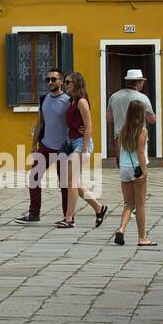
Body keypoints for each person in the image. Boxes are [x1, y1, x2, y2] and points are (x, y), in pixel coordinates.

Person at [12, 68, 70, 224]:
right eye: (47, 80)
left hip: (63, 147)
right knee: (34, 177)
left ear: (61, 82)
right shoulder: (43, 99)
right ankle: (34, 213)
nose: (50, 82)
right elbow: (40, 123)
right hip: (45, 145)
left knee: (64, 183)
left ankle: (68, 216)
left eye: (53, 79)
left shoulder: (69, 100)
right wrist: (33, 145)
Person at [58, 72, 108, 229]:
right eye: (65, 82)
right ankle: (99, 208)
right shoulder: (72, 101)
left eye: (68, 82)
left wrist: (85, 150)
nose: (65, 85)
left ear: (77, 83)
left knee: (71, 182)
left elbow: (89, 126)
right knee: (75, 183)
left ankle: (69, 219)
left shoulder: (81, 102)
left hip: (81, 144)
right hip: (73, 142)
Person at [113, 99, 154, 247]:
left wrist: (118, 161)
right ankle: (142, 238)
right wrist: (145, 171)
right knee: (140, 204)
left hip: (124, 167)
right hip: (137, 168)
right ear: (142, 114)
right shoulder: (142, 130)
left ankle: (121, 229)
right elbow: (140, 151)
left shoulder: (123, 129)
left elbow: (118, 147)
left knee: (128, 204)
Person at [107, 68, 156, 153]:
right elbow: (152, 120)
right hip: (138, 137)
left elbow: (108, 118)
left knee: (123, 165)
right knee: (140, 163)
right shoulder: (143, 98)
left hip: (120, 137)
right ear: (138, 82)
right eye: (142, 81)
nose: (143, 84)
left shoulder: (114, 97)